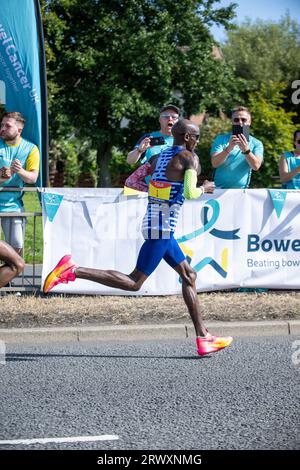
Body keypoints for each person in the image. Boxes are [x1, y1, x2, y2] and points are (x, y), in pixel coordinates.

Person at [43, 119, 233, 357]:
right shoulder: (189, 158)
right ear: (186, 137)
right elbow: (189, 192)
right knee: (134, 282)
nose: (197, 141)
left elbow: (132, 182)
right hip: (162, 227)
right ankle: (73, 270)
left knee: (189, 275)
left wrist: (159, 193)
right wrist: (205, 188)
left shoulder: (158, 157)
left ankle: (204, 337)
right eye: (196, 137)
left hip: (156, 222)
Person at [0, 111, 40, 254]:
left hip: (13, 206)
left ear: (19, 130)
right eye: (2, 125)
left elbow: (33, 178)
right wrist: (2, 178)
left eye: (7, 126)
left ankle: (5, 277)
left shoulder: (31, 149)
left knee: (16, 249)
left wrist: (20, 171)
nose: (2, 128)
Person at [211, 106, 263, 188]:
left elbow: (256, 166)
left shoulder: (256, 143)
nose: (240, 122)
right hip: (218, 189)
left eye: (243, 119)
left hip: (241, 192)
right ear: (232, 122)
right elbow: (214, 163)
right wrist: (228, 149)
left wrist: (246, 150)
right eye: (236, 120)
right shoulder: (221, 139)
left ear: (249, 122)